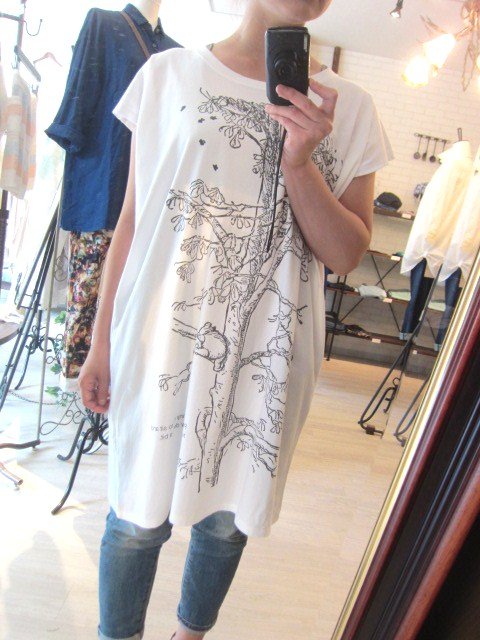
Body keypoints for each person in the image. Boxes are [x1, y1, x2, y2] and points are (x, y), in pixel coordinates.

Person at [79, 0, 393, 638]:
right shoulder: (168, 76)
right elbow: (133, 222)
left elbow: (344, 254)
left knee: (226, 521)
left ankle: (190, 635)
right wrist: (99, 342)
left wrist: (299, 161)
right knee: (135, 516)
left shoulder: (352, 108)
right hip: (161, 340)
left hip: (268, 354)